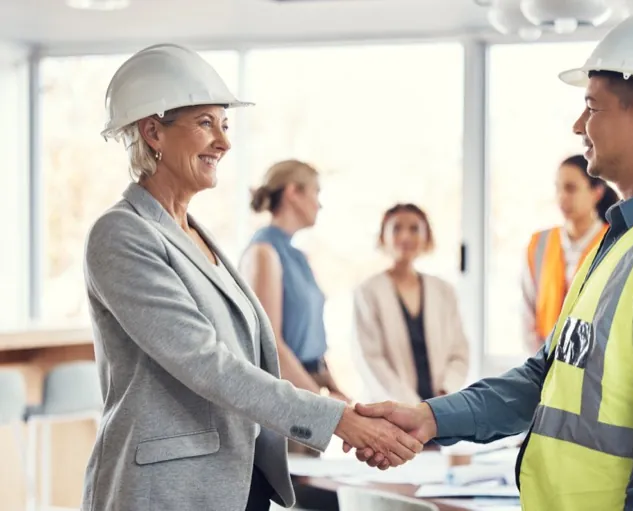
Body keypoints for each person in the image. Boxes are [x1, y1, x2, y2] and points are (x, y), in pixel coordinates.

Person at [347, 9, 633, 511]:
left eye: (592, 107)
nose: (579, 126)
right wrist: (430, 417)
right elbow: (545, 378)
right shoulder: (624, 242)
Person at [81, 44, 421, 511]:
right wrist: (338, 418)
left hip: (235, 480)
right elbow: (206, 364)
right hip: (167, 490)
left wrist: (343, 409)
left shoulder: (193, 233)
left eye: (225, 125)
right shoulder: (122, 233)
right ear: (153, 131)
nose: (223, 142)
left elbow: (249, 356)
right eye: (206, 123)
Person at [240, 159, 349, 456]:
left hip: (309, 389)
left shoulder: (299, 256)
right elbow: (271, 345)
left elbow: (310, 337)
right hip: (288, 399)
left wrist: (333, 387)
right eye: (316, 192)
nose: (319, 204)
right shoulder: (264, 252)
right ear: (293, 192)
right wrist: (322, 405)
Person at [353, 203, 470, 403]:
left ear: (427, 237)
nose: (405, 237)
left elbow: (459, 353)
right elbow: (369, 358)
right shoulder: (368, 292)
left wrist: (444, 393)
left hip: (439, 409)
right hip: (389, 407)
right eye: (396, 229)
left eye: (414, 229)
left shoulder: (444, 291)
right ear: (383, 237)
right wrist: (412, 407)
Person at [522, 154, 619, 352]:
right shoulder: (539, 243)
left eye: (571, 188)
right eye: (558, 188)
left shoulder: (615, 243)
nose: (562, 197)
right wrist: (541, 361)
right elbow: (527, 310)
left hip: (594, 362)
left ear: (597, 192)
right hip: (542, 360)